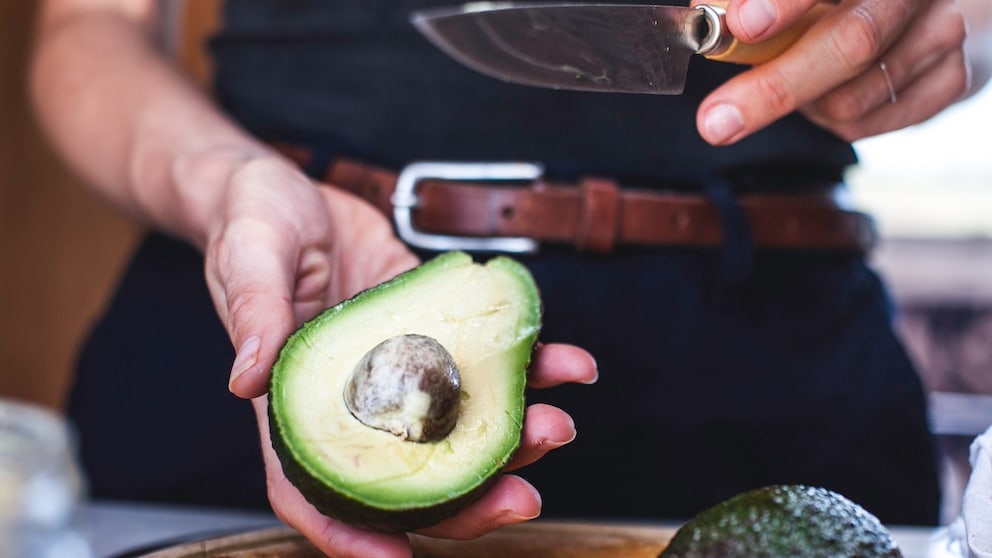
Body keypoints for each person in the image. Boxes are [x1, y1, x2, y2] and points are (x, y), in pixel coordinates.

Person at [28, 0, 990, 556]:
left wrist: (945, 27)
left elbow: (966, 24)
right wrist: (225, 181)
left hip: (776, 350)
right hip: (298, 272)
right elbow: (87, 34)